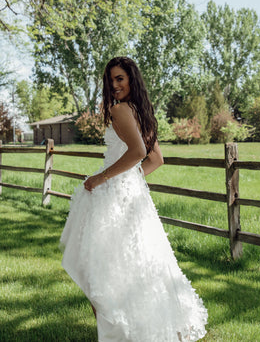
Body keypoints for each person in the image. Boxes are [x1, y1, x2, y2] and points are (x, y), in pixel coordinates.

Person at [59, 57, 207, 342]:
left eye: (120, 79)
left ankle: (119, 333)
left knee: (96, 271)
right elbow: (156, 160)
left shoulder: (120, 110)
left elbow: (139, 152)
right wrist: (131, 180)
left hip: (113, 197)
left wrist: (102, 179)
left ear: (131, 80)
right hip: (130, 198)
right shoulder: (140, 111)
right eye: (110, 80)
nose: (114, 85)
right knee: (131, 267)